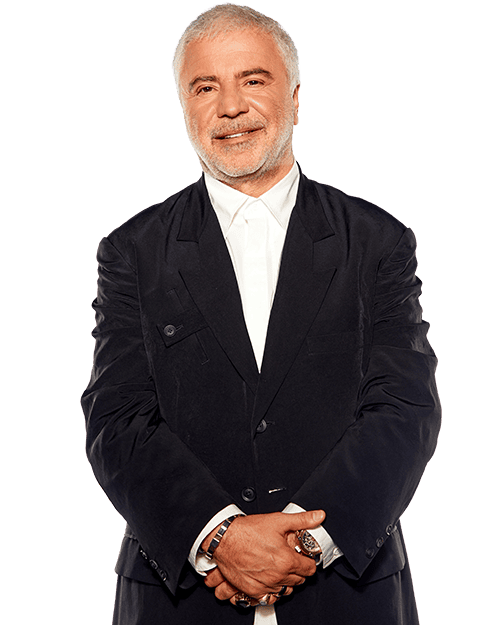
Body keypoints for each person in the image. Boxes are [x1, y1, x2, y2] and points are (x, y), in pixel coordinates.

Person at [81, 4, 441, 624]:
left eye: (253, 79)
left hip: (348, 595)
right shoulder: (132, 250)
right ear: (184, 107)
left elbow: (404, 408)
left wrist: (303, 545)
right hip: (181, 600)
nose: (230, 106)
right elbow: (117, 418)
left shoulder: (377, 241)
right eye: (205, 87)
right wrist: (220, 536)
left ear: (295, 97)